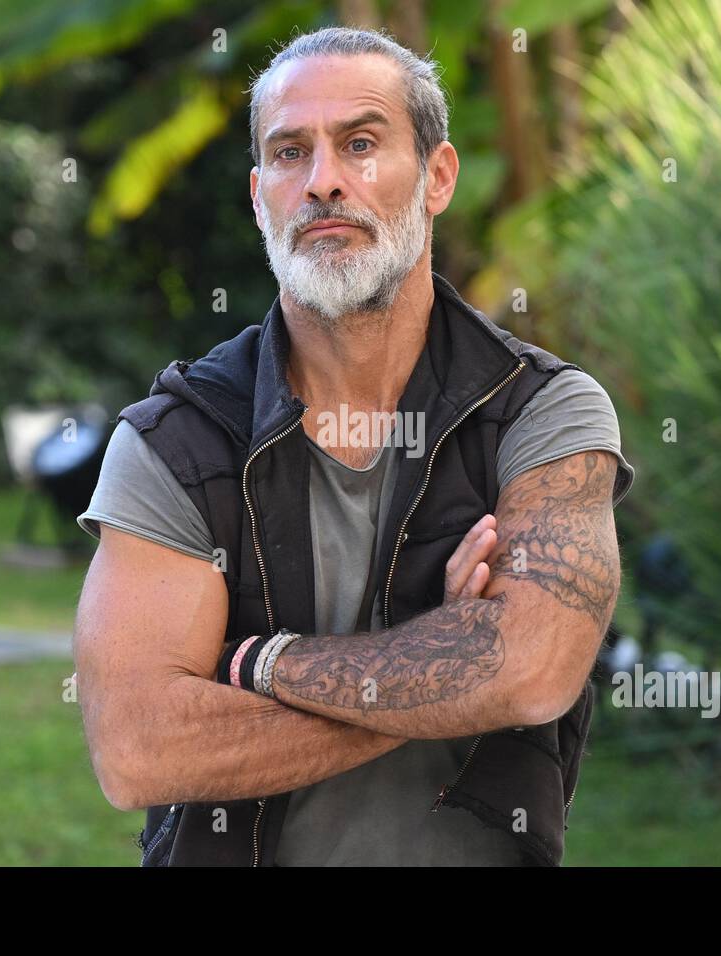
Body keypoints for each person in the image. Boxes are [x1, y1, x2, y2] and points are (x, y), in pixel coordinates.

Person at [73, 26, 635, 866]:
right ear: (260, 195)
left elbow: (531, 672)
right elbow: (138, 752)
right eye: (291, 153)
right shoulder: (177, 440)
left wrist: (262, 664)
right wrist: (446, 654)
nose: (324, 181)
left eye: (362, 143)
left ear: (438, 176)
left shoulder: (540, 414)